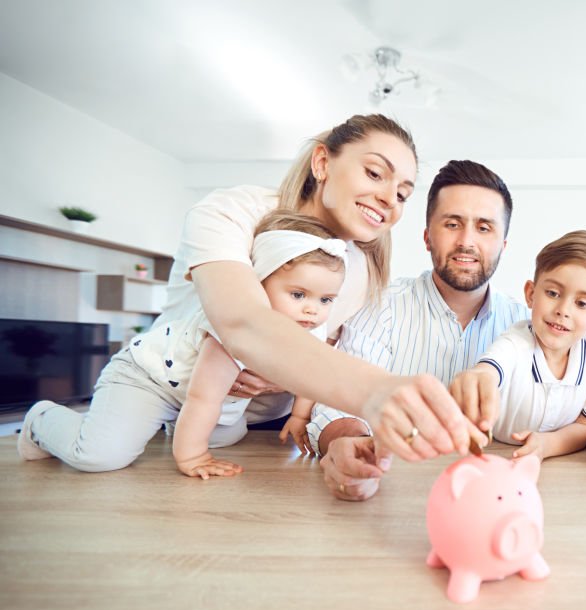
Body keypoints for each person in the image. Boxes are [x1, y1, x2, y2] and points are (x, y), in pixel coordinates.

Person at [130, 114, 479, 462]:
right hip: (175, 404)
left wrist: (284, 382)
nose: (390, 198)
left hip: (269, 431)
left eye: (403, 194)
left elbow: (322, 347)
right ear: (323, 162)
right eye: (374, 173)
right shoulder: (229, 213)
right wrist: (375, 391)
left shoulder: (362, 268)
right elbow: (242, 323)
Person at [19, 211, 346, 476]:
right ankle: (41, 419)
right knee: (99, 456)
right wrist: (192, 457)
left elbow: (311, 374)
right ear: (257, 284)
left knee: (225, 436)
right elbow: (203, 397)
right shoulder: (232, 325)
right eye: (298, 294)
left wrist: (301, 416)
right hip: (148, 378)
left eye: (326, 299)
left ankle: (170, 425)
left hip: (195, 393)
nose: (312, 309)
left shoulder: (309, 326)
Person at [310, 160, 529, 500]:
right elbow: (337, 402)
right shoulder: (381, 306)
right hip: (394, 498)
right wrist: (347, 441)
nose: (467, 242)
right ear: (427, 237)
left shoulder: (525, 324)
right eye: (452, 224)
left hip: (495, 498)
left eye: (484, 228)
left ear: (504, 244)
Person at [450, 230, 586, 466]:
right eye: (553, 293)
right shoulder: (515, 343)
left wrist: (547, 444)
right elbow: (489, 369)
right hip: (497, 457)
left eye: (582, 304)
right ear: (531, 294)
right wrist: (478, 376)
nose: (563, 310)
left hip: (557, 467)